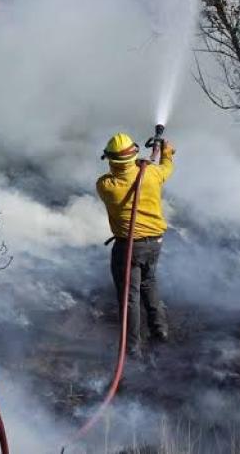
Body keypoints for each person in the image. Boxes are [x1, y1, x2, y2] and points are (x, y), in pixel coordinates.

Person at [96, 132, 175, 358]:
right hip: (155, 244)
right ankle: (160, 331)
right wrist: (165, 153)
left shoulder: (106, 186)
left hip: (128, 248)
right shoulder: (152, 174)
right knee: (149, 283)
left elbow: (119, 175)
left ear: (111, 160)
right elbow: (165, 168)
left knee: (129, 298)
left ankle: (132, 350)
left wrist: (142, 163)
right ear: (134, 155)